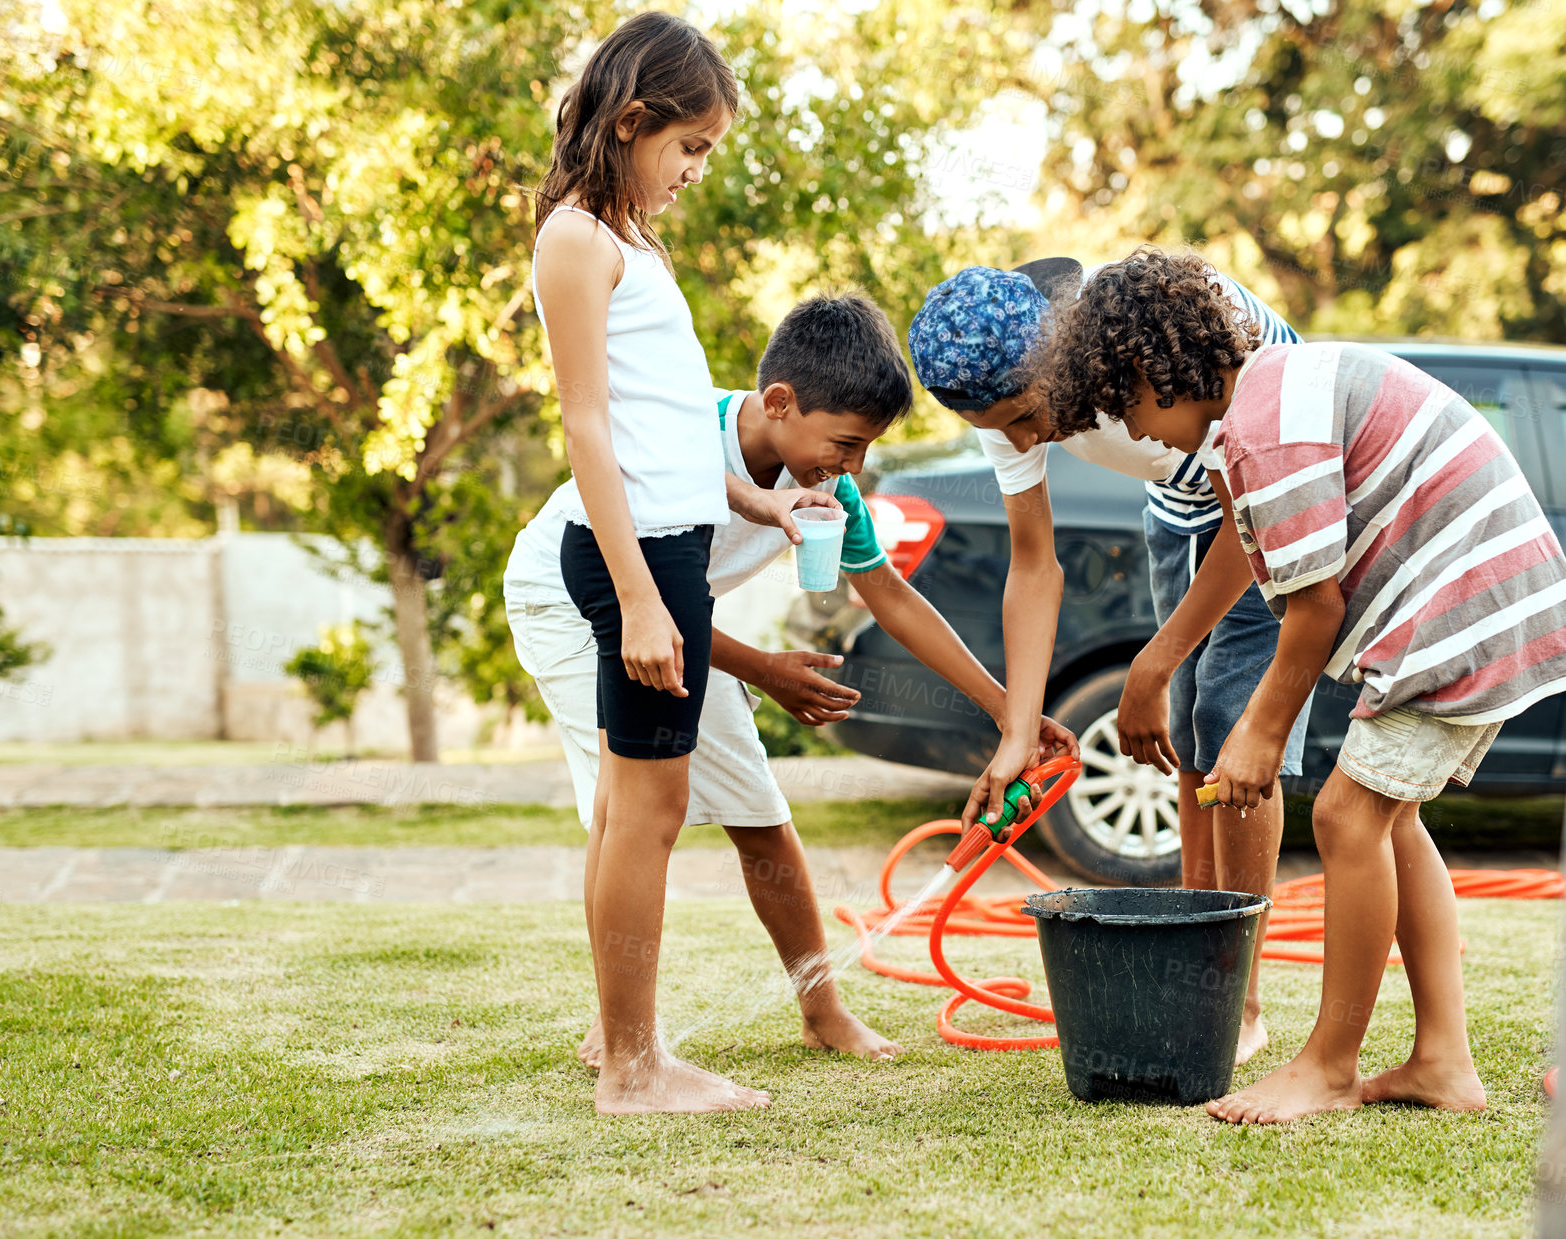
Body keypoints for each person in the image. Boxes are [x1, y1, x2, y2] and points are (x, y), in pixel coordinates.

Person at [1040, 246, 1566, 1123]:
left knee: (1343, 815)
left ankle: (1328, 1065)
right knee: (1391, 823)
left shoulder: (1266, 425)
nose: (1132, 433)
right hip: (1491, 599)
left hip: (1462, 608)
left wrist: (1259, 732)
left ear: (1154, 369)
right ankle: (1443, 1060)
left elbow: (1314, 609)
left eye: (1125, 406)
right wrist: (1172, 668)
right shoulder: (1264, 398)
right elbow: (1264, 563)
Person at [508, 291, 1068, 1071]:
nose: (853, 468)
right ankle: (619, 1031)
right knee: (630, 807)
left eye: (866, 449)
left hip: (681, 617)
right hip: (572, 599)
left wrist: (1013, 713)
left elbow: (894, 600)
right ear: (779, 403)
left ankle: (823, 1010)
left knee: (761, 815)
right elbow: (641, 597)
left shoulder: (829, 491)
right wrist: (766, 671)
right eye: (845, 442)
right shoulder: (680, 433)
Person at [529, 11, 834, 1115]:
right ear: (630, 120)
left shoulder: (634, 244)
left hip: (663, 546)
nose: (696, 171)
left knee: (629, 809)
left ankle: (621, 1046)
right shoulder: (577, 240)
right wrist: (642, 600)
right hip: (635, 565)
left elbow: (663, 429)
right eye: (689, 147)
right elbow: (589, 431)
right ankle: (631, 1066)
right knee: (647, 817)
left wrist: (752, 497)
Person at [906, 258, 1312, 1063]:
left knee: (1231, 728)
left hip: (1283, 490)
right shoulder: (997, 380)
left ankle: (1239, 996)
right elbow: (1033, 565)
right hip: (1184, 506)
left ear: (1060, 357)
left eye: (1025, 415)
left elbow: (1254, 516)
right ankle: (1202, 965)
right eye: (1000, 429)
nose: (1023, 442)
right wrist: (1016, 731)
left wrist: (1152, 664)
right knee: (1192, 743)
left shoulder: (1162, 334)